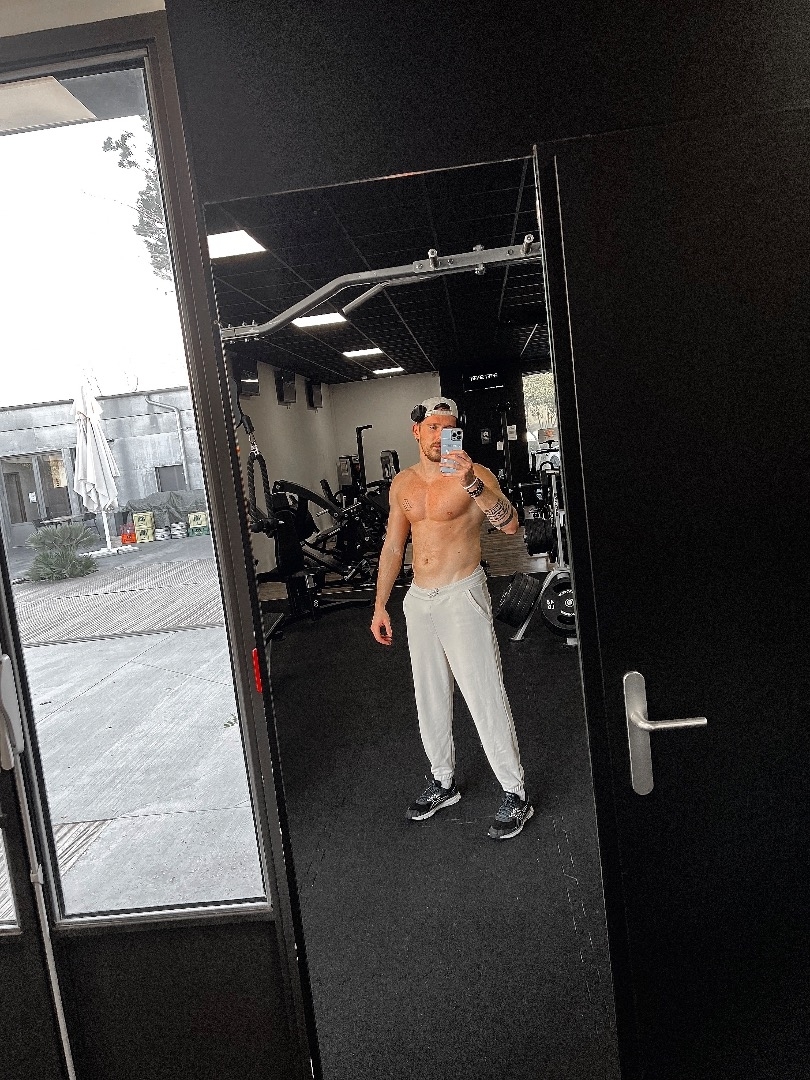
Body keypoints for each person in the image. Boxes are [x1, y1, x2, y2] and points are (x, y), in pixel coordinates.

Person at [370, 396, 533, 840]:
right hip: (418, 599)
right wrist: (380, 605)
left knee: (483, 693)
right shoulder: (403, 484)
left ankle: (515, 793)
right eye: (434, 427)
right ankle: (443, 782)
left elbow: (510, 525)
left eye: (450, 428)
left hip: (462, 594)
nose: (442, 436)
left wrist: (472, 484)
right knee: (429, 696)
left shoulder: (474, 474)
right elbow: (393, 546)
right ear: (417, 431)